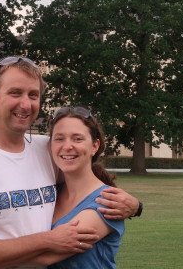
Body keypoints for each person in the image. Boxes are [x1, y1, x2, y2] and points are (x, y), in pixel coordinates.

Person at [0, 56, 141, 269]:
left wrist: (136, 206)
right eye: (15, 93)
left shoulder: (45, 149)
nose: (25, 104)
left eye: (33, 95)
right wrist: (48, 239)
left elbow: (85, 175)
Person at [43, 106, 125, 268]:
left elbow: (47, 256)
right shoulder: (50, 194)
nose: (67, 146)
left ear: (94, 146)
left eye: (77, 139)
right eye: (59, 139)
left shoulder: (106, 202)